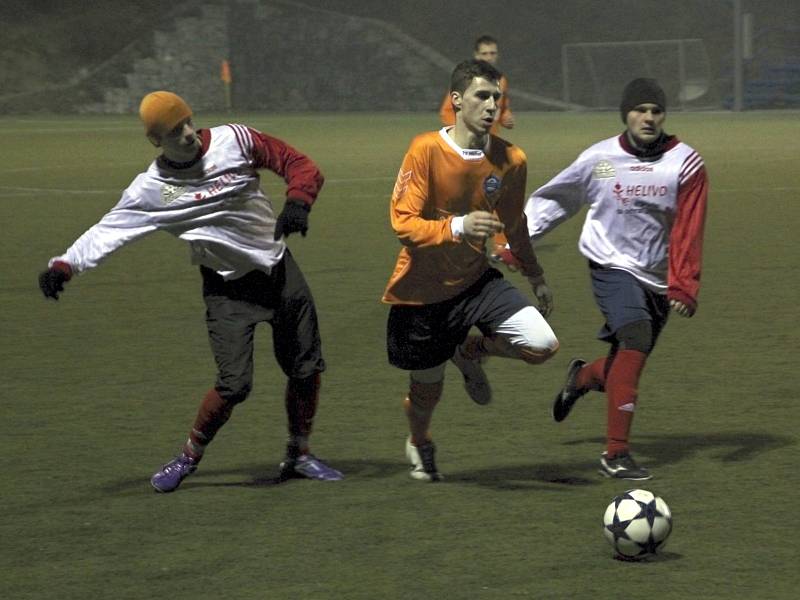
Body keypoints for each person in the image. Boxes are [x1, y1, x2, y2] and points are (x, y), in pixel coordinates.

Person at [38, 91, 343, 492]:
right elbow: (109, 230)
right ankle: (188, 457)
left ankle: (300, 455)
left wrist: (298, 201)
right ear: (155, 141)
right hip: (227, 290)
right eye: (173, 130)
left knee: (306, 367)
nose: (187, 134)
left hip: (279, 272)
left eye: (187, 122)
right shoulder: (158, 190)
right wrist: (64, 265)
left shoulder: (236, 140)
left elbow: (296, 162)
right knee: (234, 384)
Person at [503, 78, 708, 480]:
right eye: (640, 110)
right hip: (609, 265)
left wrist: (684, 284)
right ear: (626, 114)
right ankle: (616, 454)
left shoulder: (685, 163)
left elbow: (689, 227)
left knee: (626, 362)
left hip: (656, 275)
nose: (648, 117)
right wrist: (517, 244)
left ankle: (581, 378)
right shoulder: (601, 159)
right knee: (635, 337)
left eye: (656, 110)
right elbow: (559, 197)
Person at [383, 59, 559, 482]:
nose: (492, 105)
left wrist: (534, 273)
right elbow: (402, 223)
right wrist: (459, 226)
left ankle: (470, 351)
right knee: (427, 391)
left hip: (475, 282)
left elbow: (515, 224)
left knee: (542, 344)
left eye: (497, 97)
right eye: (482, 96)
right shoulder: (425, 149)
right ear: (457, 100)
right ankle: (420, 442)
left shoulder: (511, 160)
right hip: (422, 293)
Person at [439, 35, 514, 135]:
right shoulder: (466, 80)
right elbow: (446, 111)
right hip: (468, 143)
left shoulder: (501, 80)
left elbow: (502, 108)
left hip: (491, 140)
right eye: (484, 54)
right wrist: (464, 131)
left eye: (492, 53)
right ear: (477, 55)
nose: (489, 57)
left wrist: (505, 118)